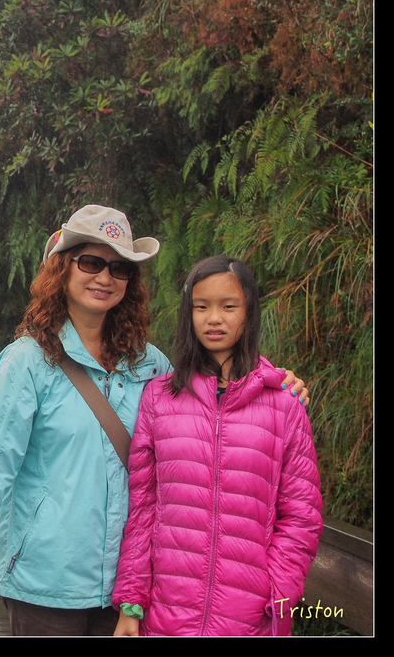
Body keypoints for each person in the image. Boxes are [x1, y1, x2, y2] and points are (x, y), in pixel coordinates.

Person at [0, 206, 309, 636]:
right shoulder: (28, 364)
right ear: (62, 268)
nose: (105, 277)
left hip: (131, 595)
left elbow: (213, 422)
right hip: (46, 586)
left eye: (119, 268)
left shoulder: (152, 367)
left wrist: (275, 382)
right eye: (92, 262)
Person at [112, 256, 323, 636]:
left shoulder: (285, 404)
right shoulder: (159, 399)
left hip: (250, 620)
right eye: (201, 306)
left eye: (228, 306)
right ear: (187, 314)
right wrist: (131, 600)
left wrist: (278, 596)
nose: (214, 318)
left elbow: (302, 517)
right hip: (167, 617)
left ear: (249, 312)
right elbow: (144, 508)